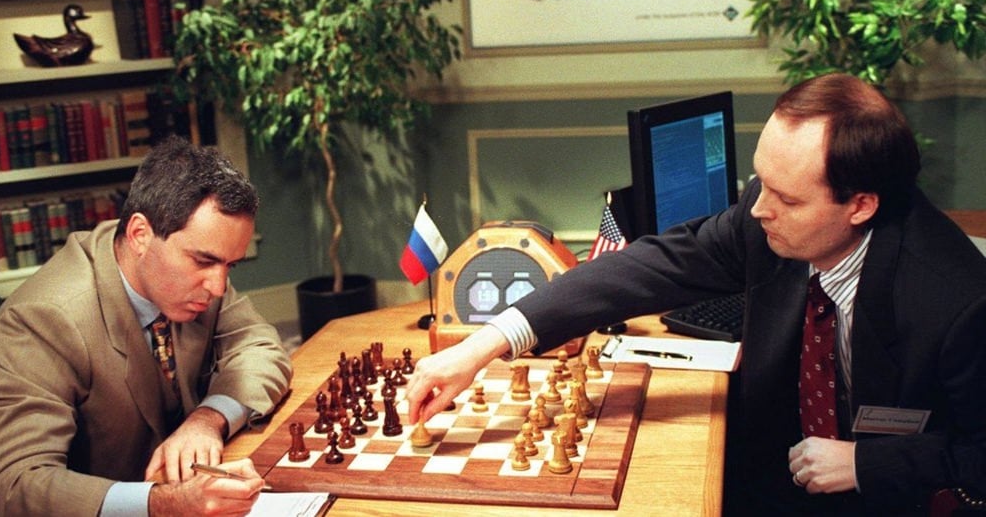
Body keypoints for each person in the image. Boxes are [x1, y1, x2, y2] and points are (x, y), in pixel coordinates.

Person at [405, 73, 986, 515]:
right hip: (771, 470)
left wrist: (866, 462)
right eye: (761, 183)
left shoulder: (958, 301)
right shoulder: (767, 221)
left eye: (786, 198)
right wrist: (480, 347)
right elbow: (646, 268)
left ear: (860, 204)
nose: (758, 210)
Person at [0, 136, 293, 516]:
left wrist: (207, 419)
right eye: (204, 261)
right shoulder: (44, 318)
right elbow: (15, 486)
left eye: (228, 266)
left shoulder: (193, 276)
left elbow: (262, 348)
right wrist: (164, 503)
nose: (218, 287)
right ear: (139, 234)